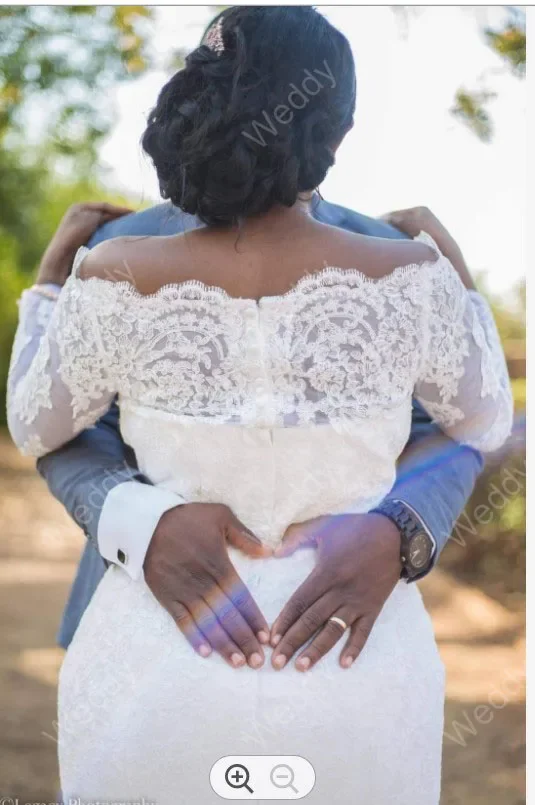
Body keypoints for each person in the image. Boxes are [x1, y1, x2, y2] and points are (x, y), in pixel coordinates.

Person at [7, 7, 513, 804]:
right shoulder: (410, 271)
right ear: (339, 126)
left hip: (194, 660)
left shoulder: (109, 268)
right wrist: (137, 523)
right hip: (334, 667)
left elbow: (36, 420)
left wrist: (398, 531)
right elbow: (484, 419)